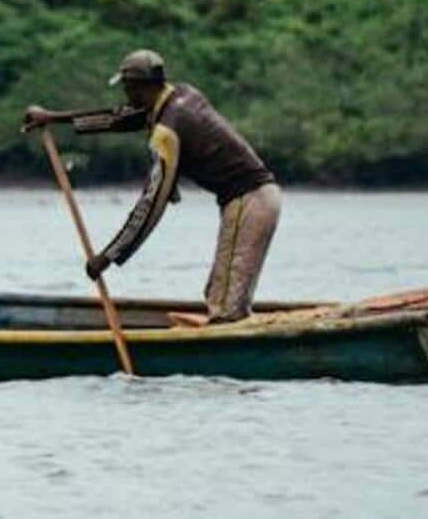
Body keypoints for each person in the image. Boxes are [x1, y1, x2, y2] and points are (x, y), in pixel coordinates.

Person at [22, 49, 282, 324]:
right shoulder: (182, 95)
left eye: (126, 88)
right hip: (251, 200)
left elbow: (149, 207)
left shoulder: (167, 131)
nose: (125, 94)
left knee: (227, 311)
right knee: (219, 295)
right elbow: (120, 118)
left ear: (138, 88)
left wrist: (108, 256)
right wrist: (52, 118)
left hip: (250, 201)